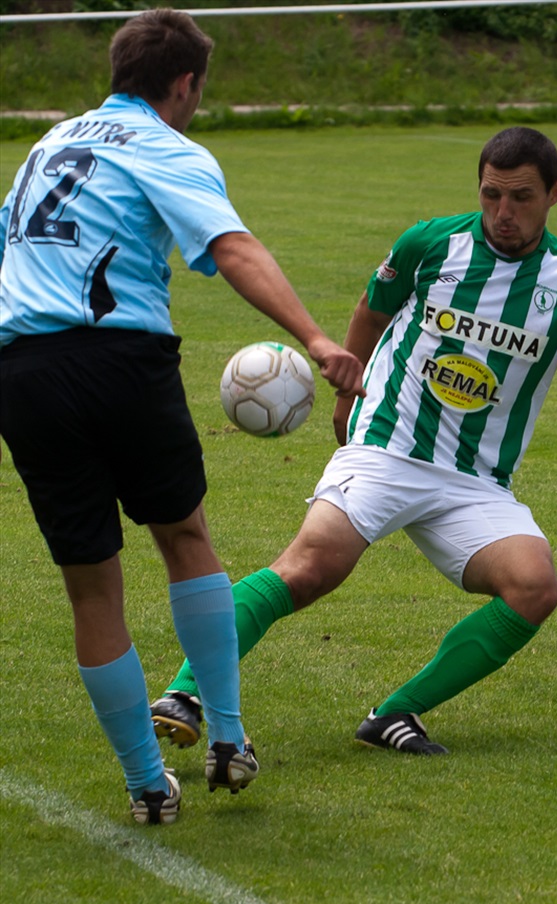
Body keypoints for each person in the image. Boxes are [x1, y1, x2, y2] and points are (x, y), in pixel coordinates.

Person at [151, 125, 557, 757]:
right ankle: (187, 693)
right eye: (492, 194)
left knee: (534, 587)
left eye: (522, 197)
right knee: (310, 568)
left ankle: (395, 714)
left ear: (555, 194)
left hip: (475, 482)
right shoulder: (431, 243)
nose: (504, 213)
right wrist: (346, 393)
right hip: (389, 445)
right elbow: (371, 309)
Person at [0, 8, 364, 824]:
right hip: (119, 357)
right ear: (184, 83)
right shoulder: (167, 146)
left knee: (91, 589)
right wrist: (312, 337)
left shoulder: (47, 142)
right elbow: (230, 246)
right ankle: (228, 737)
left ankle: (143, 786)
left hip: (22, 370)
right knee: (185, 537)